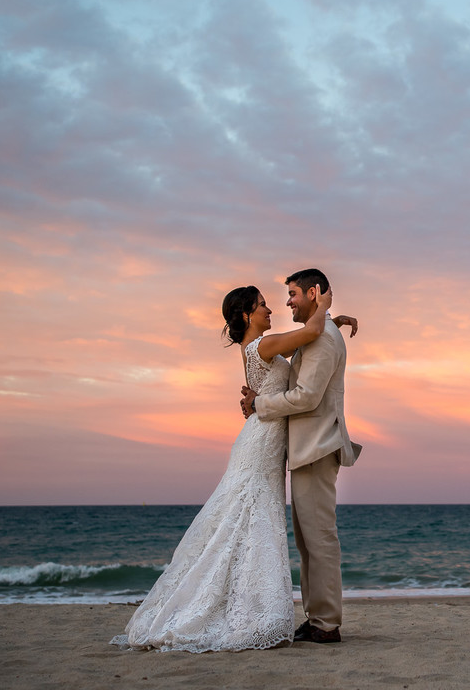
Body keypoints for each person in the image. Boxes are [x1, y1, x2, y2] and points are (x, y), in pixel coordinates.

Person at [111, 284, 356, 652]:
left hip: (265, 440)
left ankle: (247, 607)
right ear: (246, 315)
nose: (271, 309)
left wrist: (332, 320)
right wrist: (324, 305)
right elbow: (310, 332)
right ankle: (243, 611)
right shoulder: (263, 346)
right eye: (262, 305)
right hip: (260, 443)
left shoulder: (263, 346)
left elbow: (308, 339)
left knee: (248, 522)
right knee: (247, 520)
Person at [240, 267, 360, 644]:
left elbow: (307, 397)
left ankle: (326, 623)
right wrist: (330, 317)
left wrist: (259, 404)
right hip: (307, 448)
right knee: (308, 542)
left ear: (312, 293)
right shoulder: (318, 333)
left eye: (292, 294)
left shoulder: (322, 339)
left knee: (319, 539)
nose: (287, 302)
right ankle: (317, 617)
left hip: (317, 447)